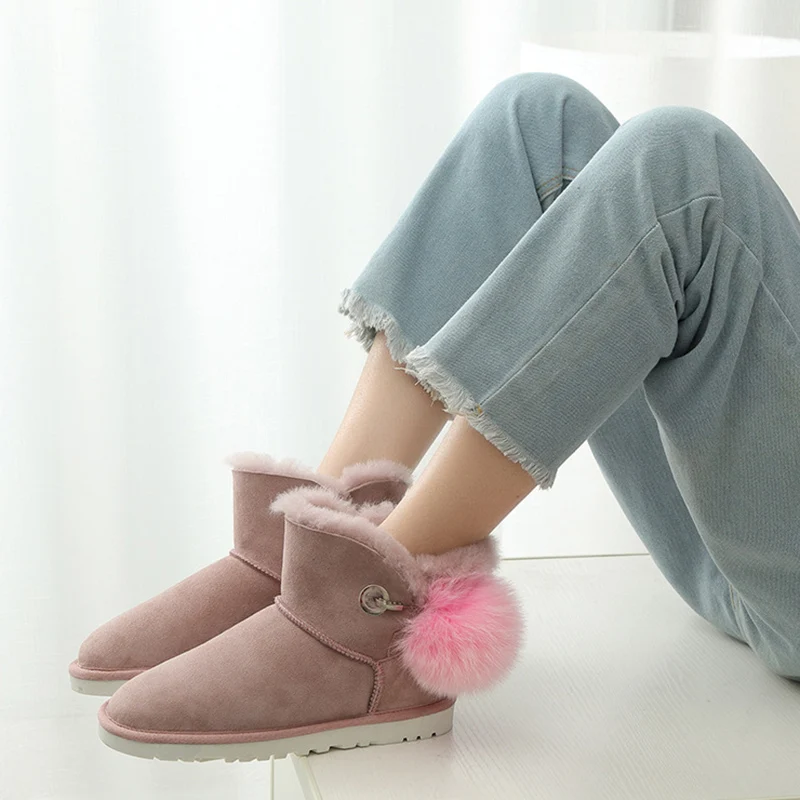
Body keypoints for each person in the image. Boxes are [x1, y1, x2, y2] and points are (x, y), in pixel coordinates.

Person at [70, 72, 800, 762]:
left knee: (681, 161)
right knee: (536, 120)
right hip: (733, 544)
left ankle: (366, 612)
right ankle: (320, 543)